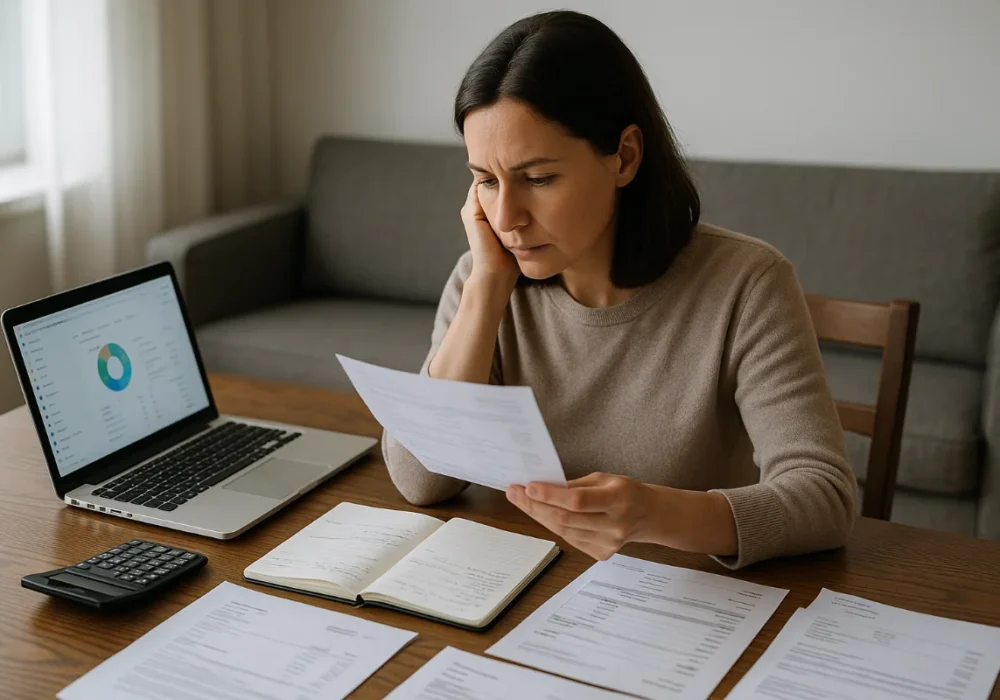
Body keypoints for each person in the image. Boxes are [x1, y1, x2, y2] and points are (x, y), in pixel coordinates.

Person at [382, 10, 856, 569]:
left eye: (538, 179)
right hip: (527, 592)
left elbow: (825, 496)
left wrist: (658, 514)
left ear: (625, 157)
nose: (506, 216)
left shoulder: (748, 284)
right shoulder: (483, 274)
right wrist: (486, 288)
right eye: (486, 180)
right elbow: (419, 479)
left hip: (688, 604)